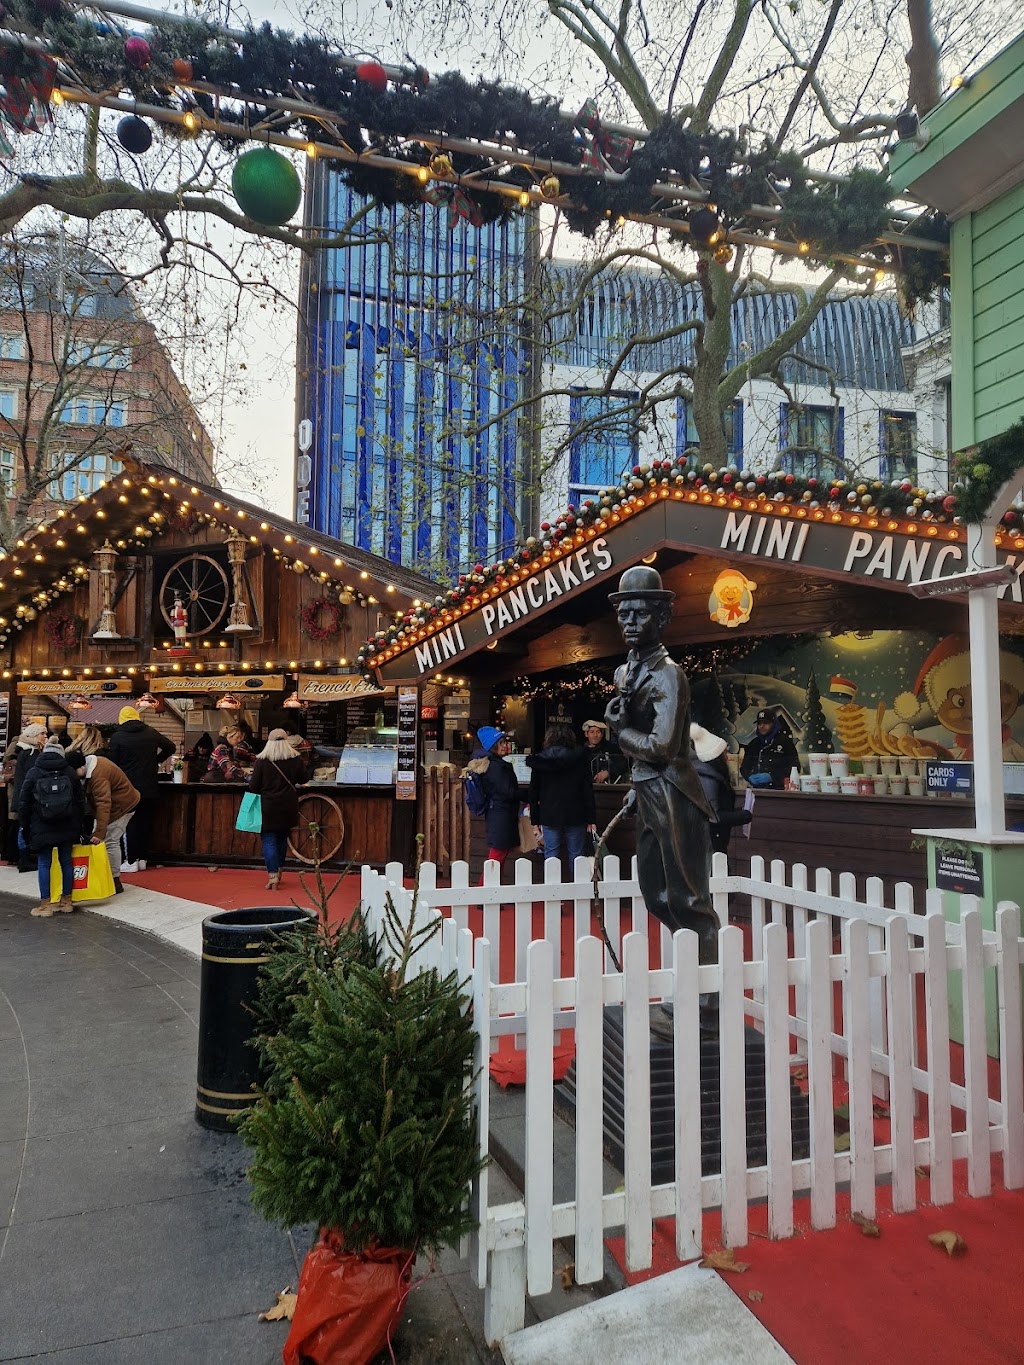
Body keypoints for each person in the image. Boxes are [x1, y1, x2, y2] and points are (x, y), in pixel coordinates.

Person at [605, 565, 719, 1029]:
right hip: (648, 790)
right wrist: (635, 787)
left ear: (662, 618)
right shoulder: (624, 671)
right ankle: (691, 977)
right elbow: (643, 755)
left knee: (689, 899)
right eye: (624, 614)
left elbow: (662, 747)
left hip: (674, 792)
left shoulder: (669, 676)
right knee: (655, 894)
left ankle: (706, 1003)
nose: (631, 622)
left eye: (641, 614)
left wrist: (619, 731)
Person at [18, 737, 88, 918]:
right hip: (67, 824)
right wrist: (79, 825)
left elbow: (24, 802)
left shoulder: (34, 772)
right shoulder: (70, 773)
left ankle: (45, 905)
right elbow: (80, 802)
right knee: (66, 862)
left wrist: (25, 827)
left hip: (42, 825)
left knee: (44, 863)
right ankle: (66, 901)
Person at [66, 727, 140, 896]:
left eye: (75, 773)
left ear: (81, 767)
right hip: (118, 803)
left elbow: (103, 803)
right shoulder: (91, 765)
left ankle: (115, 881)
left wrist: (99, 832)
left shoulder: (98, 773)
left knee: (110, 840)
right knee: (106, 838)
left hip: (124, 805)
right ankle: (108, 877)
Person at [107, 705, 174, 873]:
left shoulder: (117, 737)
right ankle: (142, 859)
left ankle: (130, 861)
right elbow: (171, 747)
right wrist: (155, 761)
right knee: (145, 823)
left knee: (128, 824)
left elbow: (113, 764)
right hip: (150, 787)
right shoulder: (150, 732)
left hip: (127, 789)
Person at [246, 728, 310, 890]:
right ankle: (279, 871)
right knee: (282, 838)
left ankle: (273, 875)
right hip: (288, 805)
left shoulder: (262, 761)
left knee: (268, 840)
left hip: (268, 806)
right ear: (287, 740)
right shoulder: (295, 759)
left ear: (269, 742)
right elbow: (304, 778)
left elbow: (253, 787)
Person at [527, 723, 597, 864]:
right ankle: (577, 885)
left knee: (551, 856)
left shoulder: (540, 761)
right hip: (576, 813)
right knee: (577, 857)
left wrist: (535, 821)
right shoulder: (579, 758)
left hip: (549, 814)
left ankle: (553, 885)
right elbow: (587, 790)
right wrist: (591, 818)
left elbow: (533, 792)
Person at [465, 725, 520, 869]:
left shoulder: (493, 764)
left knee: (499, 857)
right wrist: (528, 796)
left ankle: (491, 887)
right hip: (501, 815)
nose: (504, 746)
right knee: (496, 858)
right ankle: (484, 888)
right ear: (493, 746)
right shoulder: (496, 767)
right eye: (500, 743)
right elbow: (507, 791)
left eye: (504, 742)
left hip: (499, 814)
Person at [690, 722, 744, 855]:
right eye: (724, 754)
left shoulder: (709, 776)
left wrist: (734, 811)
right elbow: (712, 816)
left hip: (713, 840)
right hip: (710, 843)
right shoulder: (707, 779)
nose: (727, 757)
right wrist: (742, 816)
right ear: (716, 758)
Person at [7, 722, 46, 870]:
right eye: (43, 733)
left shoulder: (25, 750)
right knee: (24, 827)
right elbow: (33, 776)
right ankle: (24, 858)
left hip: (22, 794)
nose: (45, 736)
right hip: (28, 796)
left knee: (22, 826)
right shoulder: (31, 753)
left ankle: (22, 857)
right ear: (35, 735)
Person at [740, 708, 799, 789]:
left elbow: (795, 767)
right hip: (755, 790)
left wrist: (773, 777)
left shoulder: (785, 742)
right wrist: (749, 776)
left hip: (779, 791)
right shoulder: (753, 744)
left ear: (774, 723)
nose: (762, 726)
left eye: (766, 723)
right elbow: (744, 767)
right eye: (759, 723)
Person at [581, 718, 624, 784]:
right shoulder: (580, 751)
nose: (595, 735)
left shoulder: (611, 748)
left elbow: (623, 763)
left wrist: (608, 772)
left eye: (598, 732)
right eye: (592, 732)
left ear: (602, 734)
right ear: (586, 734)